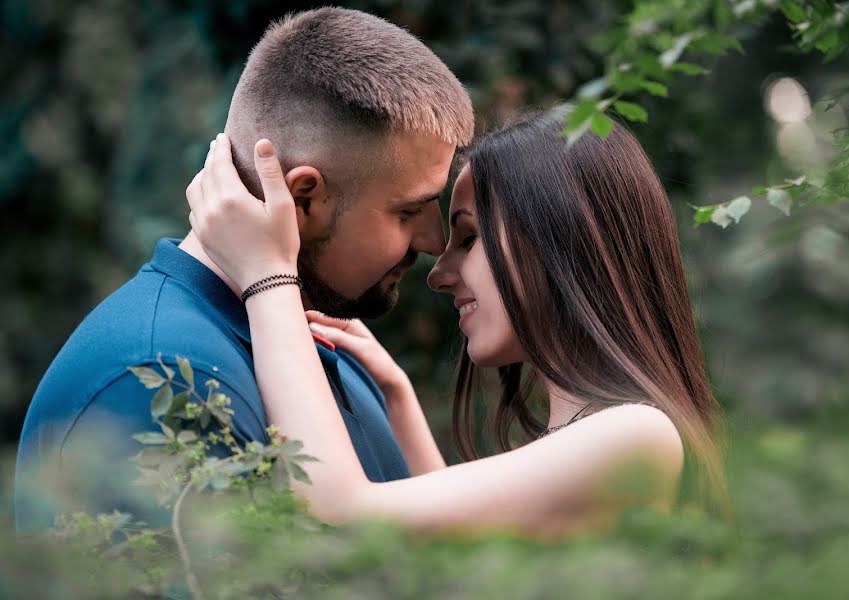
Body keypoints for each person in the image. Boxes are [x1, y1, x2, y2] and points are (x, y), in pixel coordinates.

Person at [14, 7, 474, 530]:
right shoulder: (156, 378)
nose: (436, 241)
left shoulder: (332, 350)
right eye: (408, 211)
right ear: (304, 198)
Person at [186, 112, 729, 538]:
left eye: (468, 238)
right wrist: (397, 396)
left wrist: (267, 275)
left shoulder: (635, 436)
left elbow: (343, 516)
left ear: (557, 241)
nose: (439, 274)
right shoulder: (608, 434)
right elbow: (451, 548)